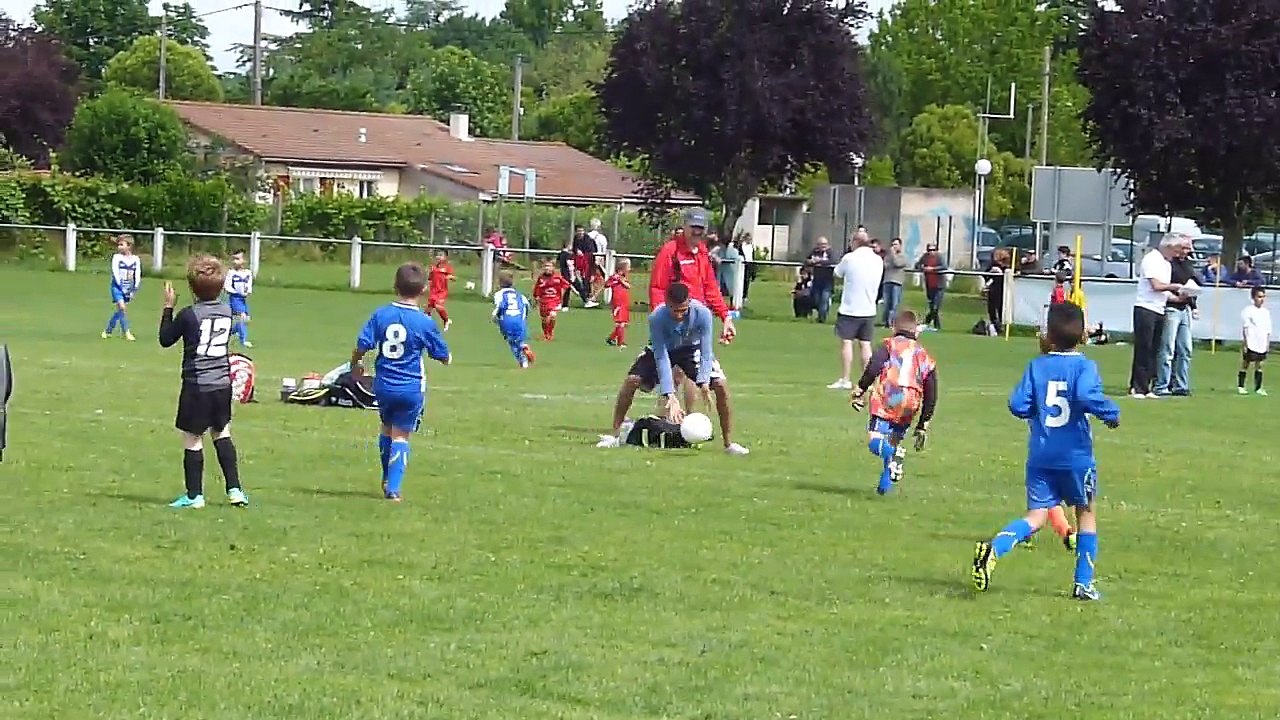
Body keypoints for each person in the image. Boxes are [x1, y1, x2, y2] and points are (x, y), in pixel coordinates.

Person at [971, 302, 1120, 601]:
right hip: (1076, 456)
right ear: (1082, 335)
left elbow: (1017, 404)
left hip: (1041, 455)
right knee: (1086, 513)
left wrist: (1033, 411)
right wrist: (1110, 412)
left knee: (1036, 516)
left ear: (1048, 334)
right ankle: (1083, 584)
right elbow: (1084, 395)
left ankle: (995, 548)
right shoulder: (1085, 366)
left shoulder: (1036, 366)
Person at [598, 282, 749, 455]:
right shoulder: (657, 318)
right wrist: (669, 394)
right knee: (631, 381)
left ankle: (729, 444)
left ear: (689, 302)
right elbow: (661, 356)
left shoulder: (703, 314)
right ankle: (615, 435)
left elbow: (706, 350)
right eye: (674, 310)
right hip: (662, 350)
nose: (679, 315)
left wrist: (705, 382)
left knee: (721, 385)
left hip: (692, 350)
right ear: (667, 303)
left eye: (683, 310)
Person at [350, 263, 451, 502]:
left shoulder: (381, 314)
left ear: (394, 286)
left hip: (383, 385)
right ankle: (393, 489)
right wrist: (446, 357)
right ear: (425, 289)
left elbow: (362, 344)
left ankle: (386, 477)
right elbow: (442, 355)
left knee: (387, 429)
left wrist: (355, 363)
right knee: (401, 436)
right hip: (410, 387)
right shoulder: (424, 322)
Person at [159, 256, 247, 509]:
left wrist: (168, 308)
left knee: (193, 438)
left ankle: (194, 495)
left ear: (192, 288)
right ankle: (235, 490)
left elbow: (166, 339)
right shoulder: (228, 312)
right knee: (222, 433)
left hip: (197, 384)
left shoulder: (189, 315)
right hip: (222, 384)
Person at [850, 310, 937, 495]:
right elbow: (931, 391)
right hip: (909, 404)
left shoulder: (889, 345)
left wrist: (860, 389)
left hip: (888, 398)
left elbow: (874, 366)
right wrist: (923, 423)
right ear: (917, 331)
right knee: (892, 441)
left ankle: (893, 455)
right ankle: (884, 487)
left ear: (893, 327)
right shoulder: (924, 355)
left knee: (876, 439)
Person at [647, 207, 736, 342]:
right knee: (663, 361)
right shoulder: (670, 251)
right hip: (672, 323)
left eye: (701, 228)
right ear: (685, 226)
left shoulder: (702, 252)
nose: (697, 231)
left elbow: (710, 288)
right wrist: (662, 320)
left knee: (706, 362)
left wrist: (726, 317)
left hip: (695, 322)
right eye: (693, 226)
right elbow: (658, 288)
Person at [1130, 235, 1185, 398]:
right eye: (1175, 250)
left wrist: (1178, 298)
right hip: (1145, 308)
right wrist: (1174, 286)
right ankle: (1137, 386)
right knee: (1143, 348)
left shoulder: (1167, 264)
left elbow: (1164, 292)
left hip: (1159, 309)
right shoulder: (1151, 259)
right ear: (1167, 247)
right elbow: (1156, 285)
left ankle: (1147, 386)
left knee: (1155, 349)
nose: (1176, 255)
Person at [828, 229, 883, 389]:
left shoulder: (850, 258)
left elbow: (837, 273)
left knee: (847, 343)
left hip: (850, 308)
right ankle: (868, 381)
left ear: (855, 242)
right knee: (865, 344)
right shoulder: (877, 260)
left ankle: (845, 379)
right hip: (869, 308)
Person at [1155, 235, 1197, 396]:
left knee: (1185, 349)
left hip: (1184, 307)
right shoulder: (1169, 264)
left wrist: (1193, 304)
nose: (1187, 251)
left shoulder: (1188, 264)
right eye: (1185, 248)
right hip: (1171, 307)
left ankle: (1181, 385)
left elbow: (1192, 282)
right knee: (1168, 349)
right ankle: (1162, 385)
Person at [492, 270, 534, 369]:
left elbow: (499, 307)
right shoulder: (520, 295)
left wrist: (495, 319)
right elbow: (527, 307)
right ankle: (523, 346)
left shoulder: (499, 294)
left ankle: (523, 361)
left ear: (500, 282)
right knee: (519, 339)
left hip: (507, 320)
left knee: (512, 342)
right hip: (520, 321)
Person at [103, 234, 141, 341]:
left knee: (120, 310)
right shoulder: (117, 258)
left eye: (121, 244)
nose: (119, 247)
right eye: (118, 245)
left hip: (128, 288)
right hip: (117, 287)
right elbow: (115, 273)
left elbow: (137, 275)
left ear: (129, 246)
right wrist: (121, 287)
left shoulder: (135, 259)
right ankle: (127, 332)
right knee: (122, 308)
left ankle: (108, 330)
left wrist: (134, 289)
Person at [1239, 286, 1271, 396]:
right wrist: (1245, 343)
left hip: (1261, 341)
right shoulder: (1248, 311)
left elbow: (1267, 329)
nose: (1261, 299)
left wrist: (1267, 343)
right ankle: (1241, 386)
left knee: (1260, 364)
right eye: (1259, 297)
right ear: (1253, 298)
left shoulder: (1266, 312)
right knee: (1246, 363)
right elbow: (1245, 328)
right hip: (1252, 341)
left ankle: (1258, 388)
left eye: (1263, 297)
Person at [532, 260, 574, 340]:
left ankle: (550, 334)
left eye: (549, 266)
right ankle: (545, 334)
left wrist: (562, 295)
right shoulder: (541, 278)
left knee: (552, 316)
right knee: (544, 320)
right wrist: (536, 297)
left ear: (553, 268)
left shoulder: (557, 277)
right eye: (546, 266)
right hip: (544, 301)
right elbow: (537, 289)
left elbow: (566, 285)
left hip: (554, 300)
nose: (547, 268)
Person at [223, 249, 254, 348]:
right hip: (235, 298)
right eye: (233, 259)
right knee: (242, 317)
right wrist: (236, 292)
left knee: (245, 320)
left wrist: (247, 291)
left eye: (237, 259)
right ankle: (243, 340)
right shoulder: (231, 273)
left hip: (242, 300)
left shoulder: (248, 273)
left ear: (244, 261)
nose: (234, 261)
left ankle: (229, 332)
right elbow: (227, 286)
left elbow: (248, 285)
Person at [913, 243, 948, 329]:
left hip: (939, 285)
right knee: (932, 306)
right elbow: (917, 265)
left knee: (936, 306)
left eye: (933, 250)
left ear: (936, 250)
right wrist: (922, 267)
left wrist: (932, 269)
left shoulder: (940, 257)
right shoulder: (925, 257)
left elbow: (944, 266)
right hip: (929, 285)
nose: (931, 252)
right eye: (929, 250)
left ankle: (927, 322)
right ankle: (936, 326)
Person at [604, 259, 632, 347]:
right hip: (618, 302)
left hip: (624, 302)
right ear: (622, 268)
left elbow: (628, 286)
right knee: (620, 323)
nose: (629, 269)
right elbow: (606, 285)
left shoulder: (623, 277)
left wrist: (621, 281)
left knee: (623, 323)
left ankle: (611, 338)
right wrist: (614, 281)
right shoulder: (614, 277)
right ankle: (620, 342)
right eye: (628, 267)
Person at [807, 237, 836, 323]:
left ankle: (821, 319)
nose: (823, 246)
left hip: (827, 282)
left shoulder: (830, 252)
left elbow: (833, 261)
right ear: (817, 245)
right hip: (816, 280)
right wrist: (810, 261)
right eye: (821, 245)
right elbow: (806, 260)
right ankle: (820, 314)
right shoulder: (814, 252)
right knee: (816, 300)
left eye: (824, 244)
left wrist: (818, 261)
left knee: (824, 299)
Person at [571, 225, 600, 308]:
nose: (580, 233)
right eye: (579, 231)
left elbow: (591, 252)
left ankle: (588, 298)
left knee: (588, 280)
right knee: (578, 281)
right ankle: (586, 299)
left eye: (582, 231)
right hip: (579, 264)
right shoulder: (576, 239)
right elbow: (574, 249)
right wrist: (576, 251)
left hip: (588, 263)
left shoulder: (588, 240)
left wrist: (583, 255)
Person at [880, 237, 908, 327]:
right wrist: (891, 258)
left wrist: (893, 255)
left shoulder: (902, 256)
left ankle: (892, 322)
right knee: (887, 303)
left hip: (897, 282)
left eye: (896, 244)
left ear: (900, 246)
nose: (893, 247)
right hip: (887, 281)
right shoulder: (888, 256)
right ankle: (886, 321)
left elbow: (898, 263)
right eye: (892, 245)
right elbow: (885, 265)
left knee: (894, 304)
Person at [425, 251, 455, 331]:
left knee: (438, 306)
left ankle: (447, 320)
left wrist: (449, 277)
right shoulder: (433, 267)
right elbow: (429, 278)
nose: (438, 257)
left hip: (442, 291)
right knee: (427, 310)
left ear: (445, 258)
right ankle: (426, 325)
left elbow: (453, 277)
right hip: (433, 291)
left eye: (441, 255)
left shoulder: (447, 267)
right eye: (438, 255)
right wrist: (425, 286)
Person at [983, 248, 1011, 335]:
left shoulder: (1007, 267)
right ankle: (994, 325)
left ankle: (1001, 326)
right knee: (991, 309)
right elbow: (985, 275)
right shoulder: (992, 266)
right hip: (993, 289)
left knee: (1001, 308)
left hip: (1003, 290)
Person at [556, 238, 578, 310]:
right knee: (566, 290)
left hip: (562, 273)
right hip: (567, 275)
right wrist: (572, 275)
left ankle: (559, 304)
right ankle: (564, 305)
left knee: (561, 290)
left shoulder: (560, 254)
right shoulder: (568, 255)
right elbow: (570, 266)